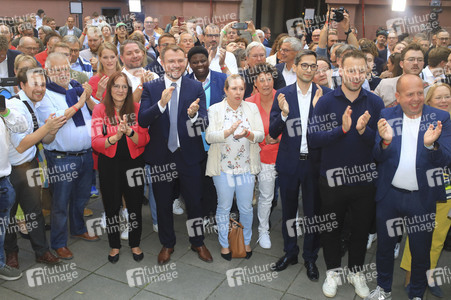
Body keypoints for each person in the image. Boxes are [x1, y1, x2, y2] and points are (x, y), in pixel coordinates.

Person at [366, 74, 451, 300]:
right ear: (397, 96)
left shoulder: (441, 118)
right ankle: (383, 289)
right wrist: (384, 141)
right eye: (409, 94)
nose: (416, 99)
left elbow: (446, 159)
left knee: (421, 252)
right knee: (384, 248)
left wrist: (431, 146)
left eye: (419, 93)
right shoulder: (386, 115)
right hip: (389, 196)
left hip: (421, 199)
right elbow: (377, 155)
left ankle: (416, 294)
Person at [309, 50, 384, 298]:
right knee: (331, 227)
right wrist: (341, 130)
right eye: (351, 70)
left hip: (364, 180)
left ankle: (356, 271)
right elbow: (314, 138)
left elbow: (381, 145)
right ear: (340, 70)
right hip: (331, 179)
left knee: (361, 229)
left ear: (367, 72)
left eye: (361, 70)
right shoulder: (327, 101)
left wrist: (364, 131)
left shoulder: (374, 102)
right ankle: (332, 271)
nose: (356, 75)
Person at [138, 45, 213, 265]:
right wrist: (161, 103)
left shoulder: (195, 87)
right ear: (162, 61)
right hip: (161, 156)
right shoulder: (151, 88)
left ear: (185, 62)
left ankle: (197, 241)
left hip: (189, 156)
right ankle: (167, 244)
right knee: (162, 203)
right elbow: (143, 120)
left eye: (180, 60)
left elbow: (203, 123)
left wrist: (193, 117)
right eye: (171, 61)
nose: (176, 65)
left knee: (195, 202)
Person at [269, 50, 332, 281]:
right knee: (288, 210)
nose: (308, 69)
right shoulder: (282, 94)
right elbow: (273, 131)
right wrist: (284, 114)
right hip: (289, 163)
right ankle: (290, 252)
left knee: (313, 213)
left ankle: (310, 257)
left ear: (317, 69)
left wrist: (317, 109)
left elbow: (329, 132)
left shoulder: (326, 95)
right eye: (304, 65)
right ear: (295, 67)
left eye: (312, 66)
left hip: (315, 164)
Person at [35, 53, 99, 260]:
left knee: (81, 198)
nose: (63, 73)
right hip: (62, 158)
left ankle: (78, 228)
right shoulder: (45, 94)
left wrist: (87, 97)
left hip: (86, 154)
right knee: (60, 203)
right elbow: (56, 119)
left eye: (65, 68)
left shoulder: (76, 87)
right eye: (57, 69)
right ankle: (59, 242)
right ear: (47, 71)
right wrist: (78, 104)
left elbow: (99, 110)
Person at [5, 67, 64, 270]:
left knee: (34, 211)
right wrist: (47, 129)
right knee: (9, 215)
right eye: (35, 84)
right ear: (21, 85)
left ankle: (42, 252)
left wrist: (52, 130)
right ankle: (11, 254)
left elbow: (42, 139)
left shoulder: (32, 104)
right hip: (11, 170)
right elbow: (21, 144)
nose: (40, 89)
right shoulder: (15, 106)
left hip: (29, 165)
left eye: (43, 84)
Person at [398, 83, 451, 299]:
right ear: (428, 102)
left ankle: (429, 275)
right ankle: (412, 277)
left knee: (438, 237)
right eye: (438, 97)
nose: (444, 100)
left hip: (448, 192)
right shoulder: (420, 123)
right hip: (427, 188)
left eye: (448, 96)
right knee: (419, 234)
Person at [91, 71, 150, 263]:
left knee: (134, 206)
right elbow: (95, 142)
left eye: (124, 86)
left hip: (134, 163)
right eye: (116, 85)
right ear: (109, 89)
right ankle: (114, 245)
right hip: (109, 164)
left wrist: (130, 132)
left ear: (129, 90)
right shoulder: (100, 109)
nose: (120, 90)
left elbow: (144, 139)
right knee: (111, 206)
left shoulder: (137, 108)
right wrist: (115, 137)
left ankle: (135, 243)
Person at [206, 74, 264, 260]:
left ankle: (246, 241)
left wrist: (247, 133)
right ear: (225, 90)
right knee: (224, 207)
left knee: (246, 208)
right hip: (223, 168)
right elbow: (209, 137)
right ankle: (224, 244)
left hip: (246, 167)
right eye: (234, 88)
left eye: (241, 88)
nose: (238, 92)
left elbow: (261, 135)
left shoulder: (252, 108)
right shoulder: (215, 109)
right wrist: (228, 132)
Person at [187, 46, 227, 226]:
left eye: (202, 60)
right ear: (190, 64)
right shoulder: (185, 82)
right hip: (195, 139)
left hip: (218, 139)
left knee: (218, 179)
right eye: (194, 62)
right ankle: (203, 213)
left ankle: (218, 213)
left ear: (208, 59)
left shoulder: (222, 79)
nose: (199, 64)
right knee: (200, 179)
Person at [246, 63, 280, 249]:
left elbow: (291, 125)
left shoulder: (283, 98)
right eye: (262, 79)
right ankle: (258, 229)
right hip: (257, 154)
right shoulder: (249, 103)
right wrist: (263, 140)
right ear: (255, 82)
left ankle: (265, 229)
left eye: (269, 78)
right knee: (257, 194)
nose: (266, 83)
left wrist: (277, 138)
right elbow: (245, 130)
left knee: (274, 194)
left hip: (279, 154)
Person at [0, 98, 27, 281]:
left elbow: (22, 126)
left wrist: (4, 111)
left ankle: (1, 264)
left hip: (3, 181)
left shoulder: (5, 106)